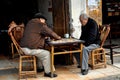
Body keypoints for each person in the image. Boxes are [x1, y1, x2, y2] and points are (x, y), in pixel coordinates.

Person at [20, 13, 61, 77]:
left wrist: (43, 36)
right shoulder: (40, 24)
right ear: (41, 19)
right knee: (47, 53)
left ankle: (40, 67)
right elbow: (50, 33)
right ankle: (48, 72)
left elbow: (34, 33)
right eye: (44, 20)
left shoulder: (29, 23)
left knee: (40, 50)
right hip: (29, 49)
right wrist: (58, 37)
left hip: (23, 48)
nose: (45, 22)